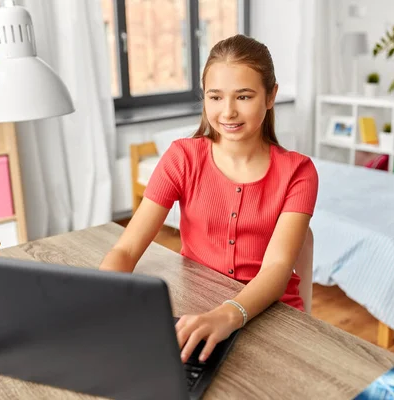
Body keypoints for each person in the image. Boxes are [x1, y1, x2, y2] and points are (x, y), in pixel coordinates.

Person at [99, 34, 318, 364]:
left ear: (271, 96)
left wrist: (228, 315)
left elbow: (276, 268)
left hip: (274, 315)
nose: (228, 112)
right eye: (215, 97)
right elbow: (127, 249)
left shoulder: (299, 172)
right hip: (200, 304)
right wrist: (101, 298)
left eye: (243, 96)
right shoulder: (182, 158)